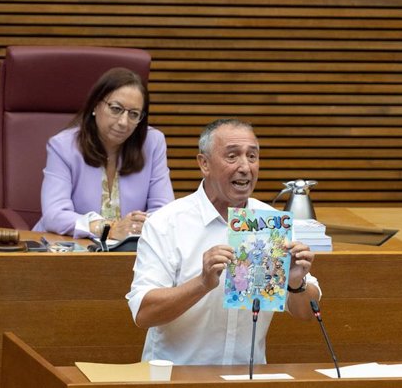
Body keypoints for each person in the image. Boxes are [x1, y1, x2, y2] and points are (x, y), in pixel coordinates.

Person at [126, 118, 321, 365]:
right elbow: (143, 313)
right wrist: (201, 283)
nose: (245, 167)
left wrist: (295, 283)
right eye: (232, 156)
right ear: (204, 164)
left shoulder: (271, 224)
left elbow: (305, 313)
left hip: (247, 381)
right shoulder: (166, 223)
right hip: (175, 380)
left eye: (252, 156)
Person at [32, 67, 174, 239]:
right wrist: (109, 229)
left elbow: (164, 211)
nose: (123, 122)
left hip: (130, 253)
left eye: (133, 114)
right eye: (116, 109)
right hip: (67, 249)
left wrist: (136, 227)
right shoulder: (62, 147)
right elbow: (54, 215)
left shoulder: (152, 143)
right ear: (95, 105)